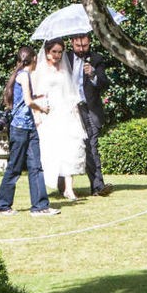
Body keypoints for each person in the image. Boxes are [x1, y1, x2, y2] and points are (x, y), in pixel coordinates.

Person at [0, 46, 56, 215]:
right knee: (15, 167)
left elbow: (24, 100)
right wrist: (42, 108)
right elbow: (28, 102)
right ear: (34, 58)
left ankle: (40, 206)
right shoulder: (24, 75)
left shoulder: (21, 75)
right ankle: (2, 205)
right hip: (20, 129)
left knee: (36, 166)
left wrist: (39, 97)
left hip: (29, 127)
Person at [33, 38, 87, 202]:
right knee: (51, 150)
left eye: (59, 52)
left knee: (70, 148)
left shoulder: (64, 71)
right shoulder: (40, 71)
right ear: (47, 52)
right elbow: (35, 95)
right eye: (54, 52)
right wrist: (38, 114)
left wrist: (74, 111)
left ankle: (69, 189)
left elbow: (70, 93)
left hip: (65, 112)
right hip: (49, 113)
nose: (57, 55)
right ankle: (47, 185)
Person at [66, 33, 111, 195]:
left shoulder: (96, 59)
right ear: (72, 43)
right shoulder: (64, 58)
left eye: (85, 46)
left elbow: (104, 83)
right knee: (67, 146)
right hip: (69, 110)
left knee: (92, 147)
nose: (81, 49)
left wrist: (93, 74)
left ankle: (98, 186)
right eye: (78, 46)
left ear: (89, 43)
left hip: (89, 108)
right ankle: (64, 185)